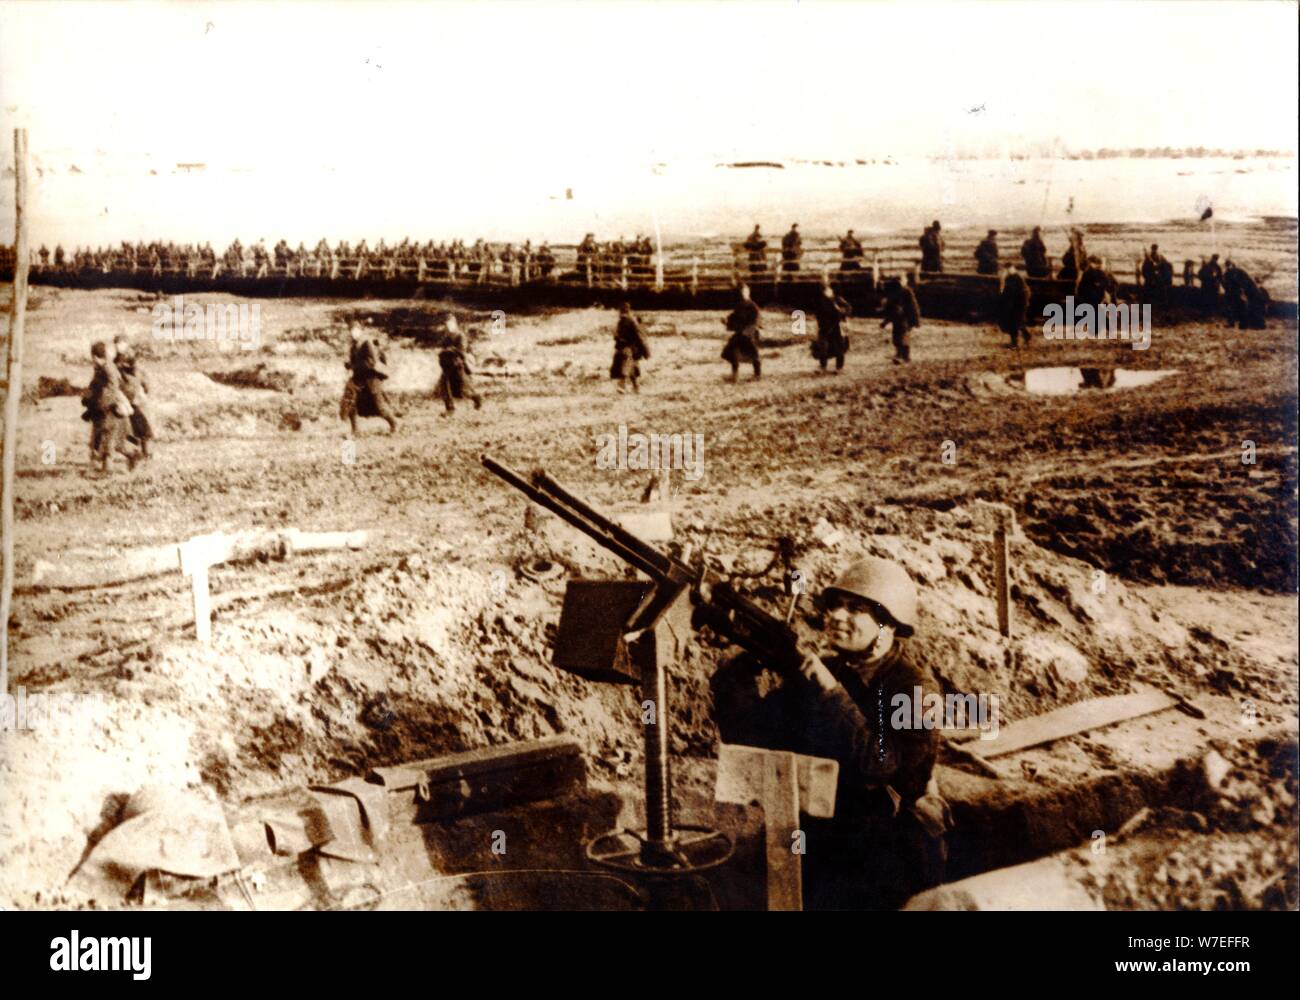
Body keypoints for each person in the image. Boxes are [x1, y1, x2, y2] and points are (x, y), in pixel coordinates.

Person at [710, 557, 950, 910]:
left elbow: (879, 764)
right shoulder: (828, 670)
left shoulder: (917, 691)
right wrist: (740, 675)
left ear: (888, 625)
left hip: (887, 846)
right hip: (817, 834)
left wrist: (829, 690)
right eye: (835, 606)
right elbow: (753, 735)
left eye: (855, 609)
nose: (837, 615)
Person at [81, 341, 139, 472]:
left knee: (108, 438)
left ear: (95, 357)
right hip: (103, 409)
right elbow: (94, 386)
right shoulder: (100, 368)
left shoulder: (109, 369)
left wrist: (101, 403)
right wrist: (88, 399)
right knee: (110, 440)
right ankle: (130, 457)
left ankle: (107, 469)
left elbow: (112, 388)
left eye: (93, 358)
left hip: (111, 409)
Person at [340, 323, 398, 435]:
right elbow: (355, 363)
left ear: (360, 331)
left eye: (355, 331)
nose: (353, 333)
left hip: (372, 379)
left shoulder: (367, 343)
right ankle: (355, 430)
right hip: (359, 379)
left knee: (379, 407)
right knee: (351, 402)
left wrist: (353, 366)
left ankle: (394, 424)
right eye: (351, 331)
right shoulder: (354, 346)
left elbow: (371, 362)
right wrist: (348, 365)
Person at [113, 336, 154, 460]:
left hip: (135, 399)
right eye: (117, 344)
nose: (119, 346)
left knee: (142, 428)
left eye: (121, 343)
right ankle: (134, 454)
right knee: (127, 430)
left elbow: (139, 376)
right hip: (124, 400)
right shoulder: (115, 362)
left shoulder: (132, 360)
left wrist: (143, 391)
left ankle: (144, 453)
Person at [436, 315, 483, 415]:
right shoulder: (446, 337)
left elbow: (461, 351)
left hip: (458, 366)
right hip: (447, 366)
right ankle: (450, 409)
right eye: (446, 324)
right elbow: (442, 348)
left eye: (449, 324)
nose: (448, 327)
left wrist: (449, 350)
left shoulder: (460, 336)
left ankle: (476, 398)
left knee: (462, 391)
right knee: (444, 387)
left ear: (454, 324)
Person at [722, 284, 762, 381]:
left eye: (745, 292)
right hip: (740, 333)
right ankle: (734, 375)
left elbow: (756, 321)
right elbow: (734, 318)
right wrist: (726, 322)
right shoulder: (739, 306)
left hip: (750, 333)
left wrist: (747, 332)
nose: (743, 294)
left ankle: (757, 375)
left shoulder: (753, 307)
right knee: (731, 352)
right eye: (741, 292)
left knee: (753, 354)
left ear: (748, 293)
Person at [610, 302, 650, 393]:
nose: (621, 313)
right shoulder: (622, 322)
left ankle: (622, 385)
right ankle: (636, 387)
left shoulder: (628, 321)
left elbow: (639, 337)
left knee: (626, 366)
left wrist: (645, 351)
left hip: (630, 348)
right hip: (627, 348)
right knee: (631, 366)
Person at [812, 283, 851, 373]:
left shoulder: (837, 300)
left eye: (828, 290)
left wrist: (842, 312)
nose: (826, 292)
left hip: (837, 327)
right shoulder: (820, 301)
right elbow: (818, 314)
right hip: (824, 327)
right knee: (823, 347)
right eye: (825, 290)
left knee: (839, 346)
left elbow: (848, 308)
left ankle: (839, 367)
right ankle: (823, 366)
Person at [880, 277, 920, 363]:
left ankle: (902, 356)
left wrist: (914, 320)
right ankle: (903, 355)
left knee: (902, 337)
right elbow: (891, 311)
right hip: (897, 319)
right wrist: (885, 322)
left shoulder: (906, 292)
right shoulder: (894, 295)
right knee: (898, 337)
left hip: (905, 318)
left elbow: (913, 307)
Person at [998, 265, 1032, 347]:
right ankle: (1026, 336)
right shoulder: (1016, 276)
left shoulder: (1012, 278)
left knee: (1013, 321)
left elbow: (1009, 293)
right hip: (1020, 302)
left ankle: (1014, 342)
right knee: (1019, 321)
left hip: (1018, 303)